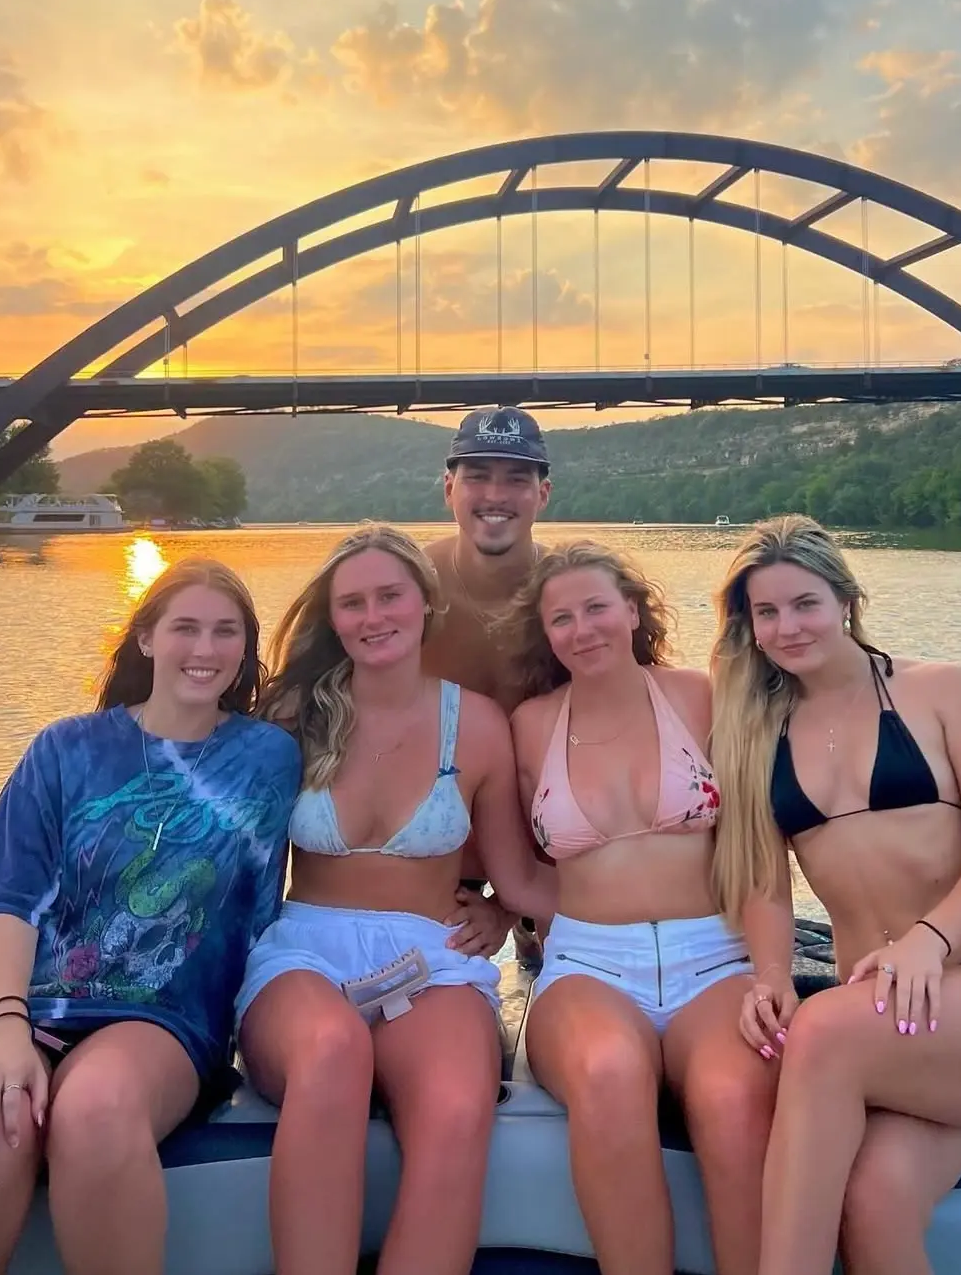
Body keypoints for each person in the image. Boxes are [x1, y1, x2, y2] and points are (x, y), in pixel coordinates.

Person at [0, 558, 300, 1275]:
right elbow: (8, 903)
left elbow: (364, 813)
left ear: (246, 648)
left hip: (159, 1017)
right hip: (2, 1001)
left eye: (225, 631)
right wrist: (6, 1030)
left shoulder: (269, 757)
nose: (204, 648)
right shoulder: (66, 749)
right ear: (146, 638)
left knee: (96, 1114)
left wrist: (477, 901)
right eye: (185, 627)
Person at [710, 515, 961, 1275]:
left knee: (821, 1031)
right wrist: (772, 976)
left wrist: (927, 941)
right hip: (886, 1022)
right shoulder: (757, 732)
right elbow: (766, 884)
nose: (788, 627)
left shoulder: (938, 690)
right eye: (767, 612)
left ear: (846, 599)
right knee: (875, 1200)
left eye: (805, 603)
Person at [234, 523, 556, 1275]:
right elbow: (226, 850)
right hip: (303, 953)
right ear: (332, 616)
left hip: (431, 958)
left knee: (458, 1104)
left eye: (390, 596)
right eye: (353, 602)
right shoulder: (292, 716)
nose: (373, 616)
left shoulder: (477, 723)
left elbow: (520, 876)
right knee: (331, 1050)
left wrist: (506, 912)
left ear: (425, 602)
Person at [508, 541, 779, 1275]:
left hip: (716, 958)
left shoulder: (701, 697)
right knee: (608, 1071)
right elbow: (517, 870)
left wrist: (771, 973)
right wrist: (498, 911)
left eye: (597, 607)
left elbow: (758, 854)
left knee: (732, 1093)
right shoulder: (529, 725)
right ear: (546, 634)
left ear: (632, 610)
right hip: (588, 964)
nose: (582, 628)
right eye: (561, 618)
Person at [421, 406, 553, 962]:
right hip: (436, 857)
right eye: (477, 476)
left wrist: (508, 907)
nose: (495, 495)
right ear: (449, 488)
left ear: (543, 494)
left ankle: (529, 928)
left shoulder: (572, 600)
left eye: (516, 479)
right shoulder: (408, 591)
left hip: (551, 850)